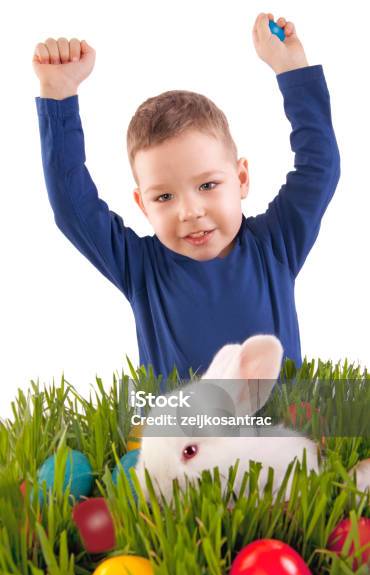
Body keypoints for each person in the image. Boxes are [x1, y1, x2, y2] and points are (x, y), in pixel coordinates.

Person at [33, 13, 340, 382]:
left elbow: (319, 167)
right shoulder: (140, 267)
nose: (190, 211)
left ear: (241, 178)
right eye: (164, 196)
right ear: (142, 205)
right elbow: (73, 206)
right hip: (183, 439)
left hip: (275, 437)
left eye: (208, 185)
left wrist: (291, 70)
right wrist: (59, 94)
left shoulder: (275, 245)